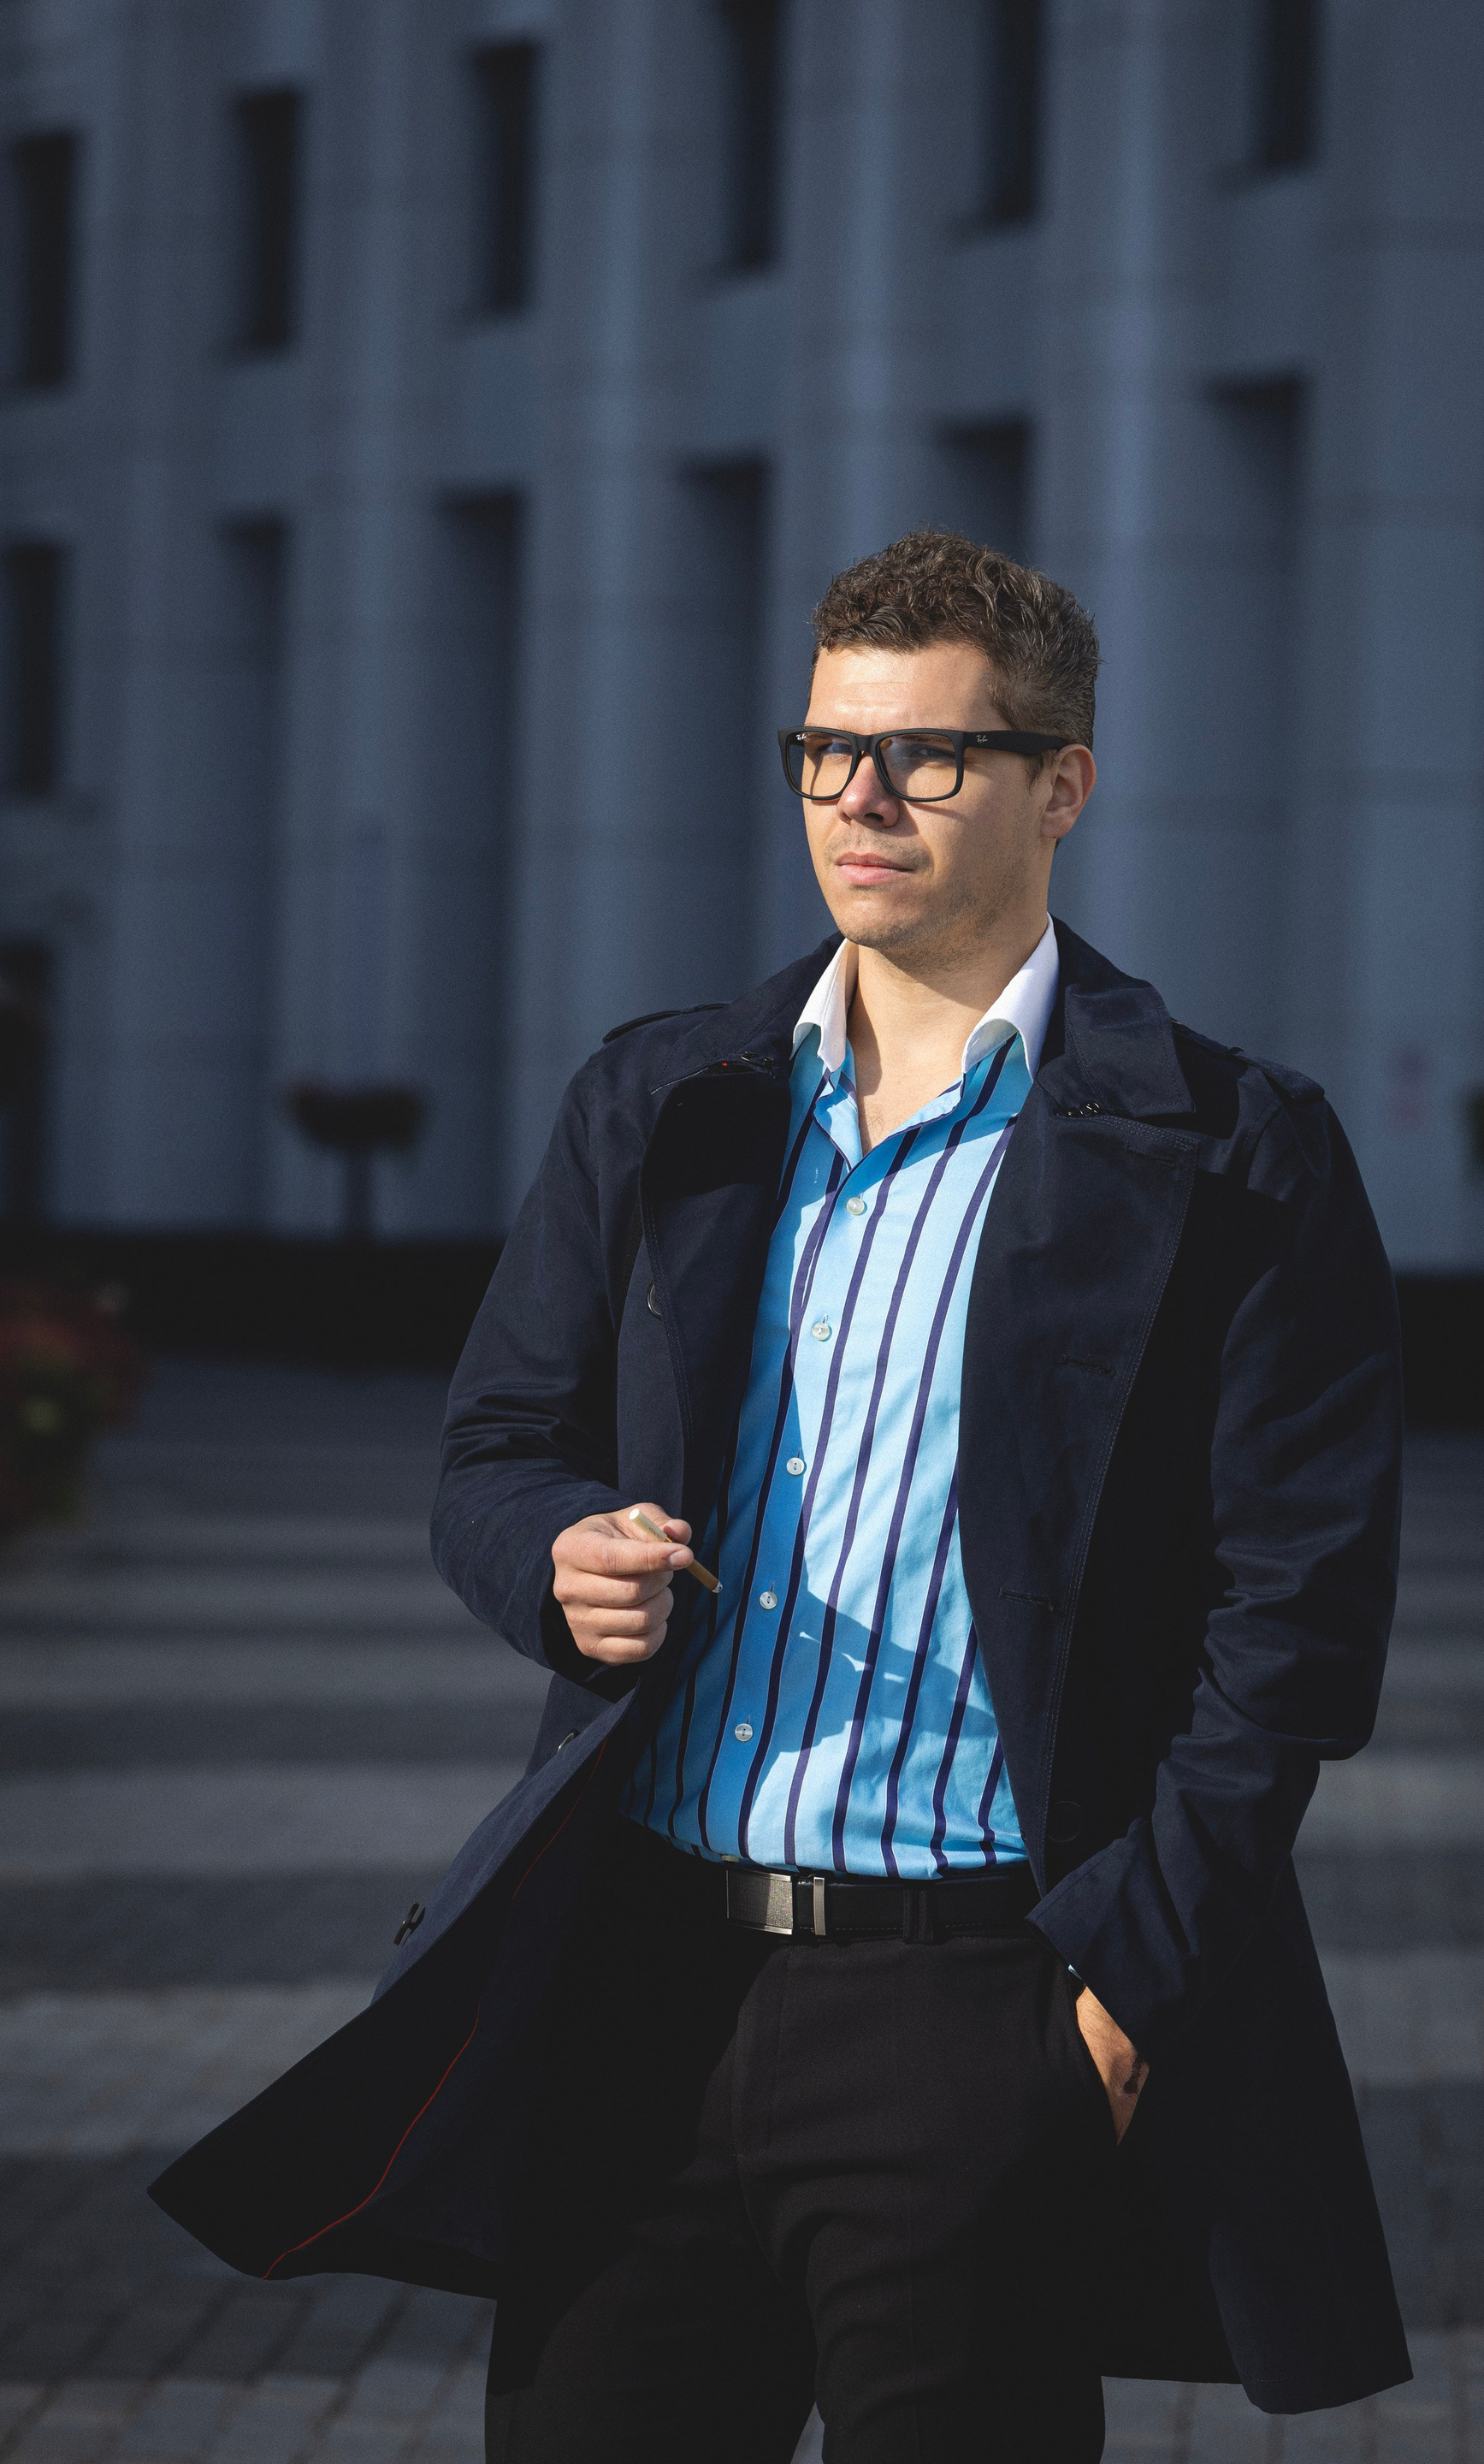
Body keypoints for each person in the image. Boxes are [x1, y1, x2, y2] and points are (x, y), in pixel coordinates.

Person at [151, 530, 1410, 2461]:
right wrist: (555, 1554)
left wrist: (1117, 1995)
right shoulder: (671, 1099)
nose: (861, 800)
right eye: (826, 750)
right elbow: (495, 1451)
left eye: (927, 755)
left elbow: (1297, 1622)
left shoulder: (1234, 1150)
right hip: (639, 1987)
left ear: (1063, 784)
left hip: (980, 2004)